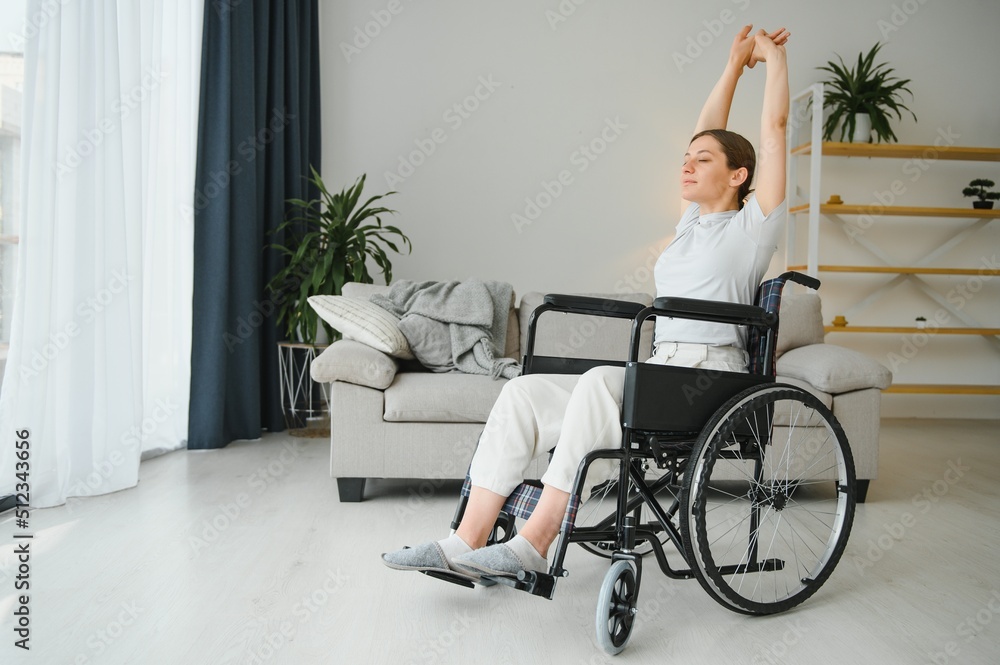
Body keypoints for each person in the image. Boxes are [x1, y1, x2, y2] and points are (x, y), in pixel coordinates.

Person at [382, 25, 790, 582]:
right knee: (523, 393)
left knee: (602, 381)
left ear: (739, 176)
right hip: (663, 373)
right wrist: (731, 65)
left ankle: (533, 544)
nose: (687, 165)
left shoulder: (752, 230)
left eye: (703, 159)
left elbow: (774, 130)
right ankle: (464, 543)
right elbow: (706, 128)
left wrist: (770, 59)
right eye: (686, 158)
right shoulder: (691, 225)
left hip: (710, 382)